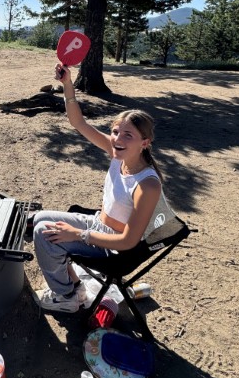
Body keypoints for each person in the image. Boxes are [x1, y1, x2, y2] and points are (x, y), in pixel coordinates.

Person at [32, 61, 174, 313]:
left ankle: (66, 297)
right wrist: (68, 85)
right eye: (116, 131)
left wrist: (78, 235)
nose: (118, 139)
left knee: (44, 233)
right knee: (39, 218)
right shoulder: (118, 153)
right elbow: (79, 123)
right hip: (98, 223)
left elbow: (128, 241)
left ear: (145, 142)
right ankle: (76, 286)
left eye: (128, 135)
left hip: (113, 247)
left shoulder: (147, 185)